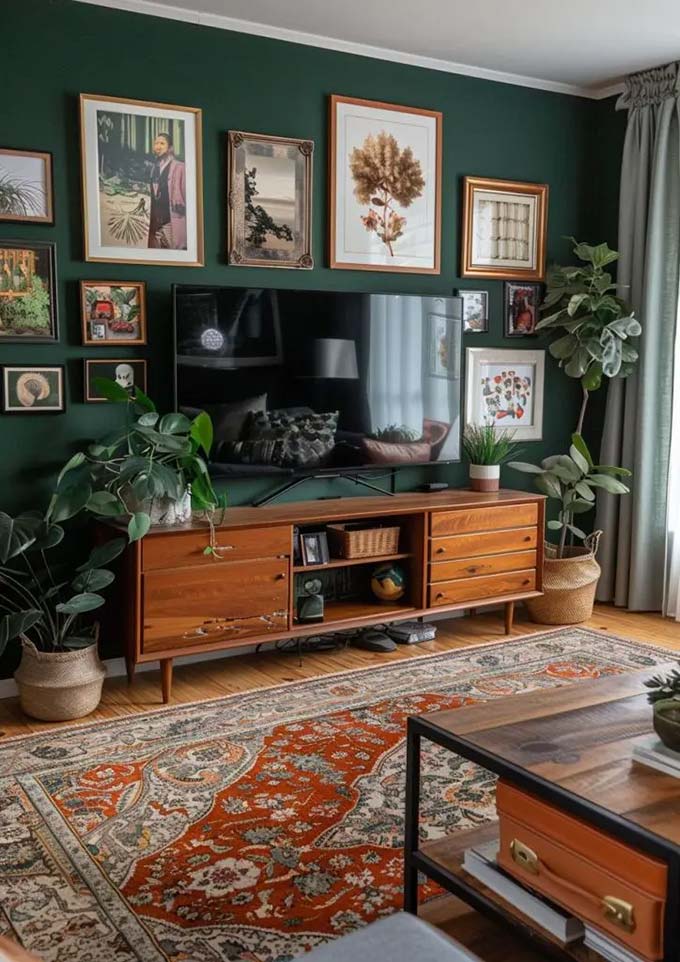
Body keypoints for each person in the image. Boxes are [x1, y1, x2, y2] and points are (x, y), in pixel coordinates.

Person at [148, 132, 187, 250]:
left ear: (170, 148)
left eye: (162, 143)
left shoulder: (180, 167)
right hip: (156, 223)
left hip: (171, 221)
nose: (158, 147)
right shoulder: (154, 168)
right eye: (156, 143)